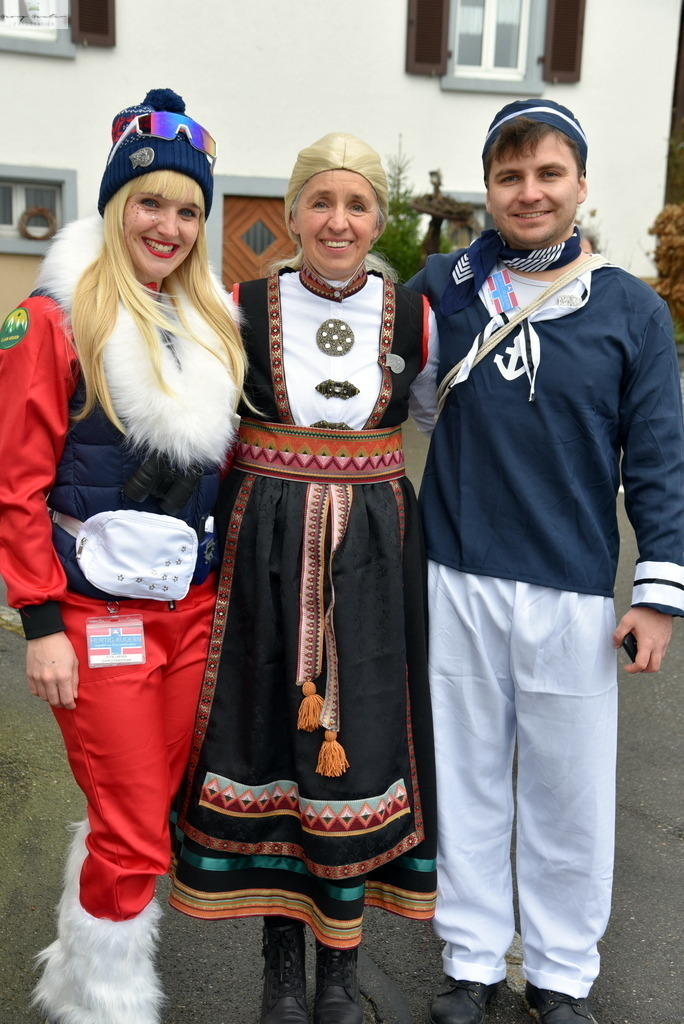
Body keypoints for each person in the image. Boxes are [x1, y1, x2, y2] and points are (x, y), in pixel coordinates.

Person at [406, 99, 684, 1024]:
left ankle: (562, 976)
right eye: (511, 175)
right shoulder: (444, 285)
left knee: (568, 796)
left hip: (570, 585)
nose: (530, 192)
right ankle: (474, 960)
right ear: (489, 187)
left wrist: (659, 594)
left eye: (548, 174)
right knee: (470, 779)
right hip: (456, 569)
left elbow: (656, 460)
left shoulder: (632, 310)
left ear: (580, 184)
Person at [169, 132, 438, 1024]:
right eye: (319, 201)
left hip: (370, 558)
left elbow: (448, 425)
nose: (337, 220)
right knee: (268, 738)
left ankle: (338, 973)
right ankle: (281, 970)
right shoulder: (237, 306)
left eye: (356, 204)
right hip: (264, 551)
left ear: (377, 221)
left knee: (357, 746)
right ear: (289, 215)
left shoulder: (417, 320)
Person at [0, 88, 246, 1024]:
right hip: (96, 621)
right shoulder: (53, 319)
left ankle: (74, 979)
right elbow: (15, 487)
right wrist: (40, 623)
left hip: (188, 615)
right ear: (115, 204)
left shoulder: (210, 323)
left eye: (189, 210)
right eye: (151, 202)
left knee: (137, 819)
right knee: (136, 827)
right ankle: (105, 1006)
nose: (171, 225)